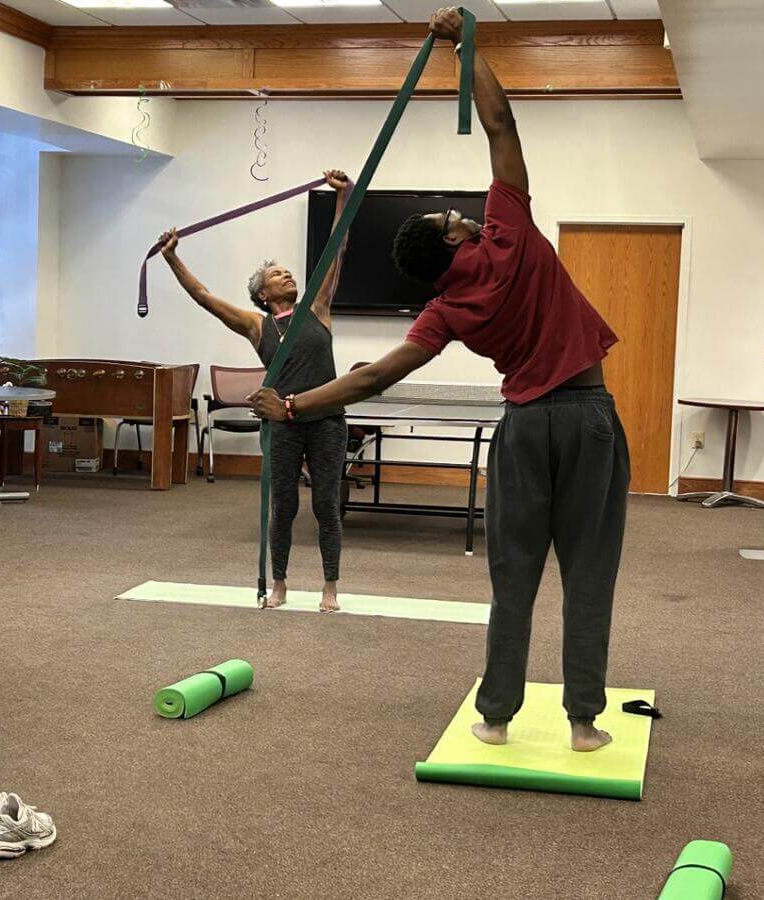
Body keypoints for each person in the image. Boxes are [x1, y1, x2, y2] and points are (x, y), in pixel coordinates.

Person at [249, 7, 629, 753]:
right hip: (585, 415)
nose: (458, 214)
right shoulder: (509, 232)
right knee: (589, 574)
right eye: (451, 215)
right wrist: (467, 46)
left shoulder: (445, 310)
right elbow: (501, 125)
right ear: (454, 233)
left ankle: (495, 718)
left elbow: (372, 378)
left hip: (522, 428)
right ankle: (583, 723)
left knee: (513, 574)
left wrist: (291, 405)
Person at [158, 169, 353, 612]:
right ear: (262, 294)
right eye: (277, 275)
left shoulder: (318, 308)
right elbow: (205, 296)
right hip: (283, 422)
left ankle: (330, 587)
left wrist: (344, 196)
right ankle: (280, 583)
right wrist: (172, 258)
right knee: (282, 506)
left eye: (288, 272)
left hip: (327, 422)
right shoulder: (256, 325)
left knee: (326, 504)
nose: (287, 276)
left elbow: (336, 247)